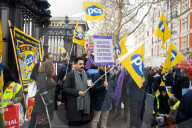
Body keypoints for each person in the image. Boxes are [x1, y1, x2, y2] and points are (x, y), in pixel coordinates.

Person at [63, 57, 94, 127]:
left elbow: (89, 89)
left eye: (83, 64)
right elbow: (65, 89)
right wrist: (77, 92)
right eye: (80, 64)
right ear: (75, 65)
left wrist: (91, 86)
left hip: (85, 107)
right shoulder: (70, 75)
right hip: (74, 106)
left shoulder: (87, 74)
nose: (82, 66)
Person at [28, 54, 54, 128]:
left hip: (45, 102)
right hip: (42, 101)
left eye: (52, 59)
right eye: (50, 58)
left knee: (44, 121)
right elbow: (42, 88)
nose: (51, 60)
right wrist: (48, 100)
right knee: (39, 121)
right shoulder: (41, 74)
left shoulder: (48, 75)